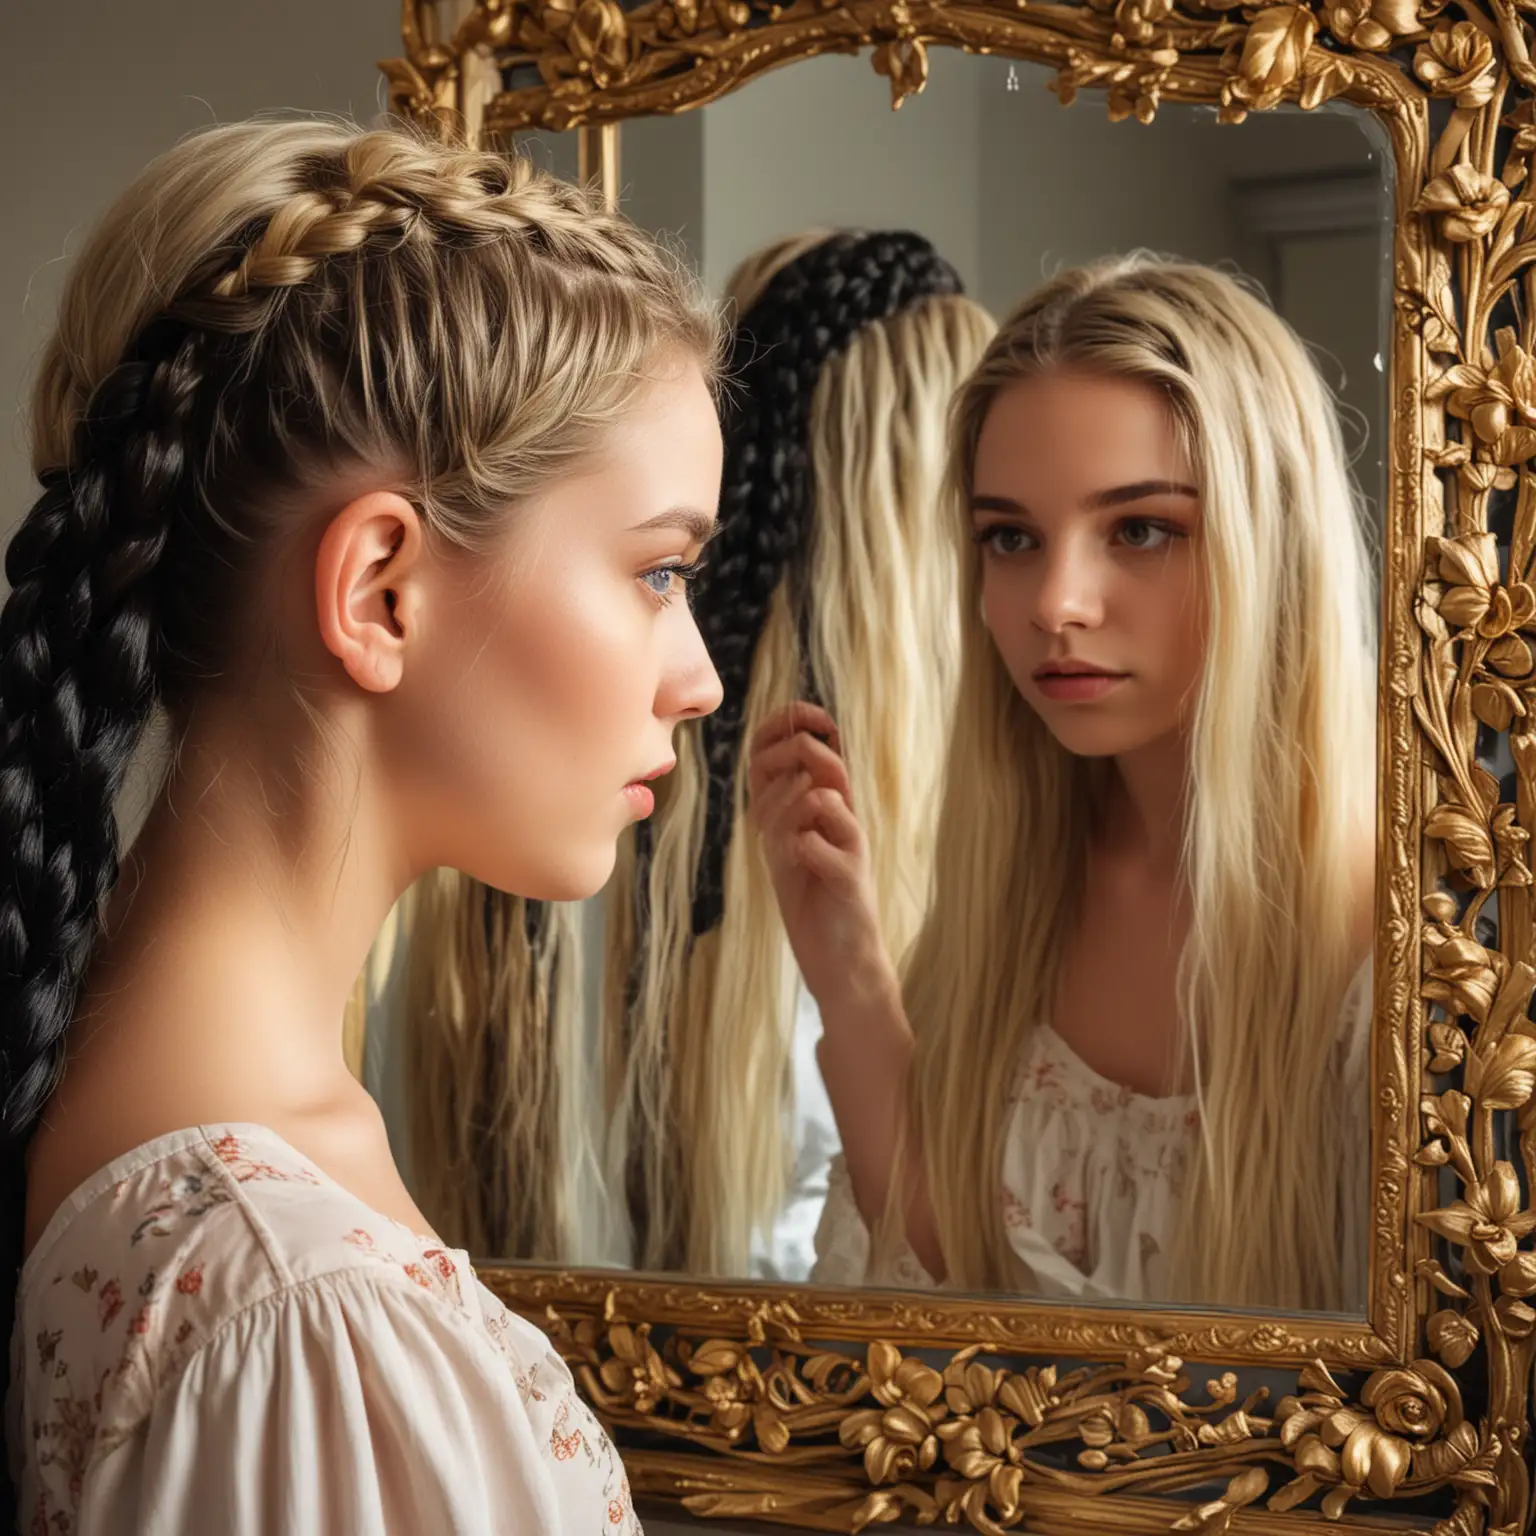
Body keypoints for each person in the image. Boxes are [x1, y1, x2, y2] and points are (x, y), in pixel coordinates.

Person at [0, 117, 724, 1532]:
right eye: (657, 572)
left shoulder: (128, 1101)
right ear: (381, 589)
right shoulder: (294, 1306)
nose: (698, 678)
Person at [750, 254, 1375, 1313]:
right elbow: (952, 1310)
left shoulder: (1403, 953)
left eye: (1140, 530)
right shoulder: (1009, 900)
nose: (1056, 602)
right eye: (1011, 538)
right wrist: (849, 977)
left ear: (1277, 546)